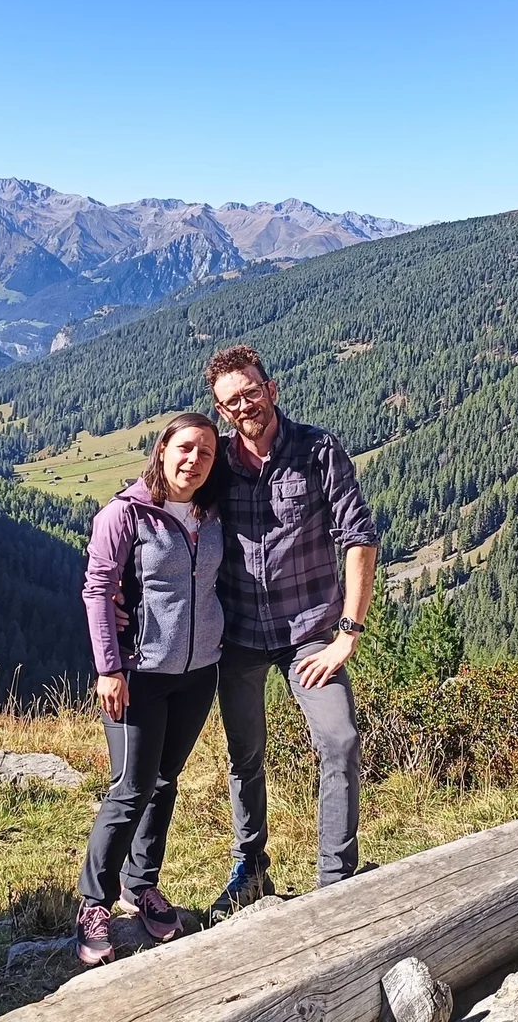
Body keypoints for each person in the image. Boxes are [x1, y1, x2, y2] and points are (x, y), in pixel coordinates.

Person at [204, 343, 379, 917]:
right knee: (243, 754)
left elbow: (358, 538)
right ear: (221, 410)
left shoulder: (319, 450)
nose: (244, 406)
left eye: (251, 392)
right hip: (241, 634)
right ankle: (250, 864)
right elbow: (165, 502)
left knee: (340, 740)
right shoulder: (218, 463)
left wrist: (348, 633)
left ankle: (337, 877)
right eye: (231, 401)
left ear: (272, 389)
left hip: (310, 633)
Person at [74, 412, 227, 966]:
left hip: (198, 671)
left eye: (206, 453)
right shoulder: (124, 514)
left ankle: (142, 887)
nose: (194, 461)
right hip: (139, 673)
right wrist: (108, 668)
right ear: (162, 449)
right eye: (185, 448)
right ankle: (94, 902)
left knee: (165, 783)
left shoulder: (211, 512)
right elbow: (98, 591)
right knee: (130, 788)